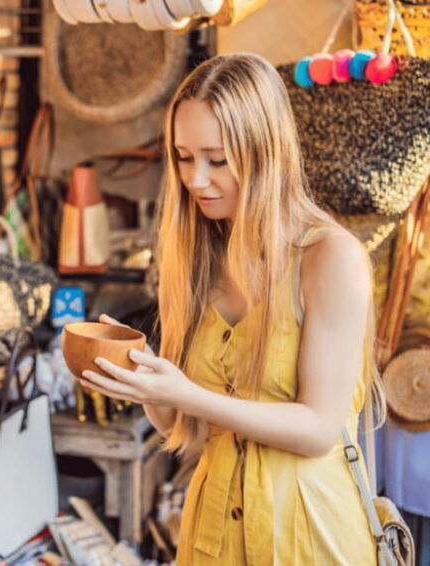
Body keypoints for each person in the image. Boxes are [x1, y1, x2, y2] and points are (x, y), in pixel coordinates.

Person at [79, 53, 384, 565]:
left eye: (217, 160)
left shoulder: (330, 259)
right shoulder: (196, 256)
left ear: (266, 153)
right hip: (212, 536)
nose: (196, 179)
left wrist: (185, 393)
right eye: (182, 156)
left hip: (308, 536)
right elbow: (183, 427)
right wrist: (145, 380)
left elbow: (317, 430)